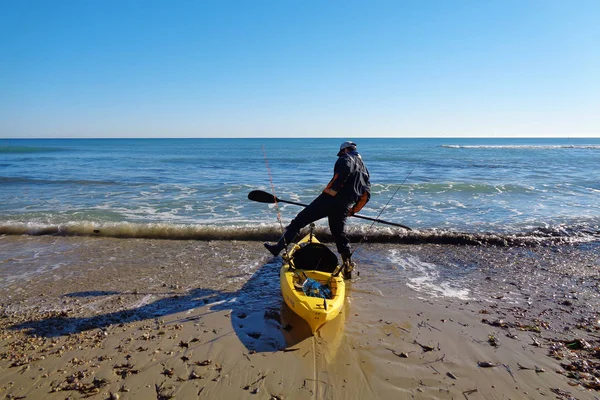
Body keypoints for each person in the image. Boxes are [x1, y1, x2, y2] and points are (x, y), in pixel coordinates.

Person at [264, 141, 371, 278]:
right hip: (344, 205)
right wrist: (353, 210)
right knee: (339, 235)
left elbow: (340, 176)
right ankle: (348, 266)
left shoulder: (345, 158)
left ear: (344, 150)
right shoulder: (365, 170)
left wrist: (331, 192)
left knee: (299, 221)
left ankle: (277, 248)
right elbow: (366, 195)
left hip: (328, 200)